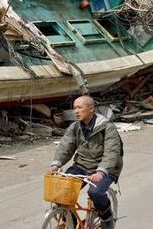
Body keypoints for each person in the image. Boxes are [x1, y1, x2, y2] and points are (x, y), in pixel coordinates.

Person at [47, 95, 123, 229]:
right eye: (74, 108)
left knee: (95, 193)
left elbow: (112, 152)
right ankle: (71, 223)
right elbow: (66, 146)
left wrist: (101, 172)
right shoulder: (75, 126)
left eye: (79, 107)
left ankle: (107, 219)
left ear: (91, 108)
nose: (76, 111)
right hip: (81, 166)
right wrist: (56, 164)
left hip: (105, 169)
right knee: (60, 194)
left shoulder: (107, 127)